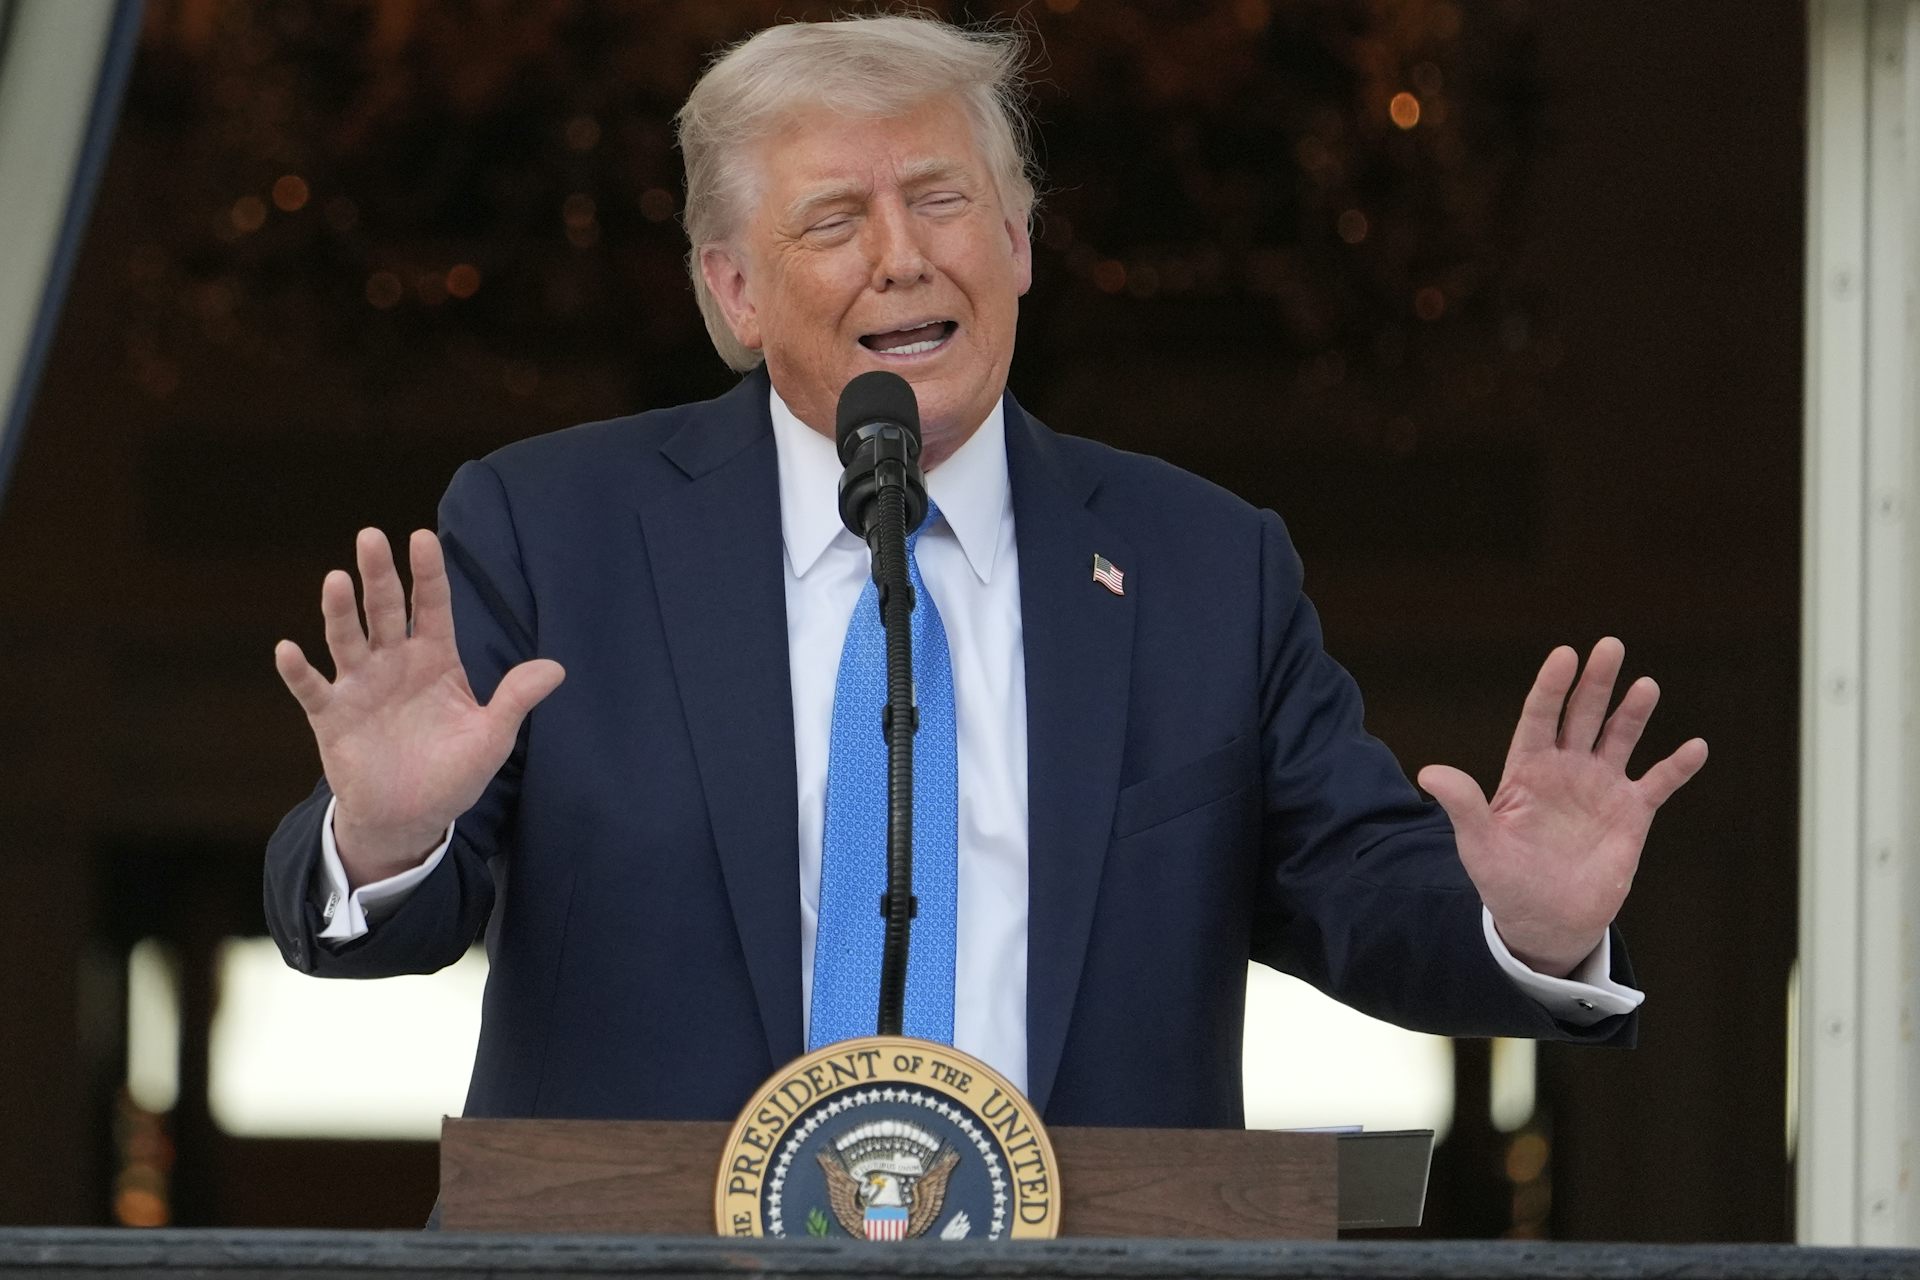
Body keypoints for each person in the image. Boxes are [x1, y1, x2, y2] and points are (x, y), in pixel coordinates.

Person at [264, 15, 1706, 1127]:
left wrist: (1525, 923)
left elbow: (1356, 889)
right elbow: (396, 929)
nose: (903, 260)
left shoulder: (1205, 566)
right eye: (834, 221)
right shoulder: (550, 526)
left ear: (1017, 247)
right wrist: (385, 840)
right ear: (735, 291)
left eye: (945, 204)